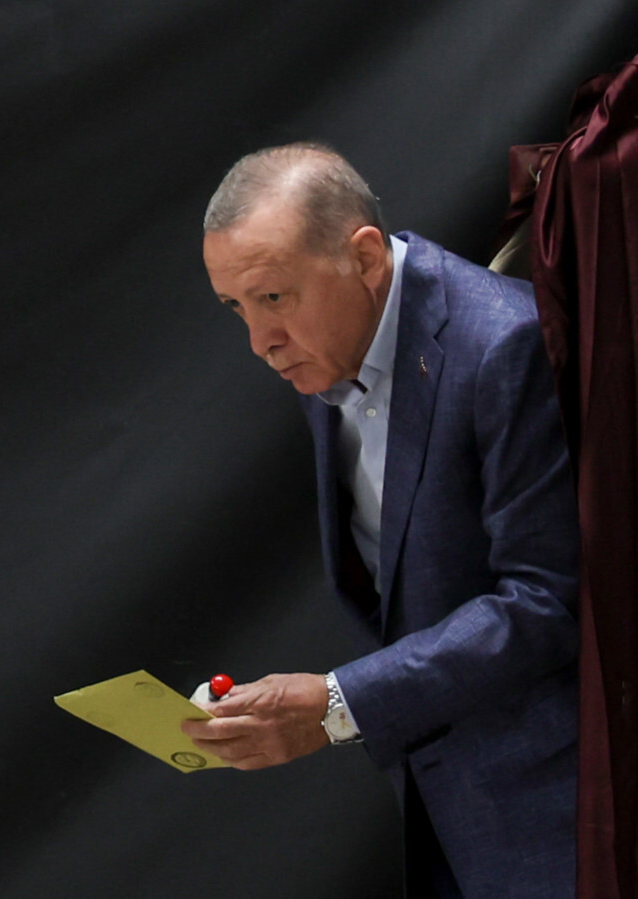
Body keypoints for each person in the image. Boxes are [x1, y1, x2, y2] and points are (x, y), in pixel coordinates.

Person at [181, 143, 579, 898]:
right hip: (444, 800)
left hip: (555, 810)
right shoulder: (325, 348)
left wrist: (340, 703)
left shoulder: (504, 347)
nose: (260, 343)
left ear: (364, 258)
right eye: (237, 307)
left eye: (273, 298)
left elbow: (549, 599)